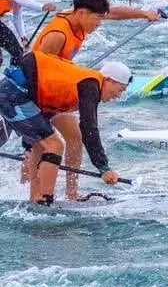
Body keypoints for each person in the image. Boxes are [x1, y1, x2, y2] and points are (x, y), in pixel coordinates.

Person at [0, 20, 128, 204]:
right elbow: (89, 128)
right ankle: (46, 201)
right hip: (14, 94)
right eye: (120, 89)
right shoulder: (91, 86)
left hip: (15, 93)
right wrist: (103, 167)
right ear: (109, 80)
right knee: (55, 145)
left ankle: (35, 198)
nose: (118, 95)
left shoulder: (87, 86)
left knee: (41, 144)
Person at [31, 0, 162, 61]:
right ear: (82, 13)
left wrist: (145, 14)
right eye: (98, 19)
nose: (99, 23)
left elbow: (115, 13)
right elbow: (38, 72)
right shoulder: (57, 36)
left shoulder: (78, 14)